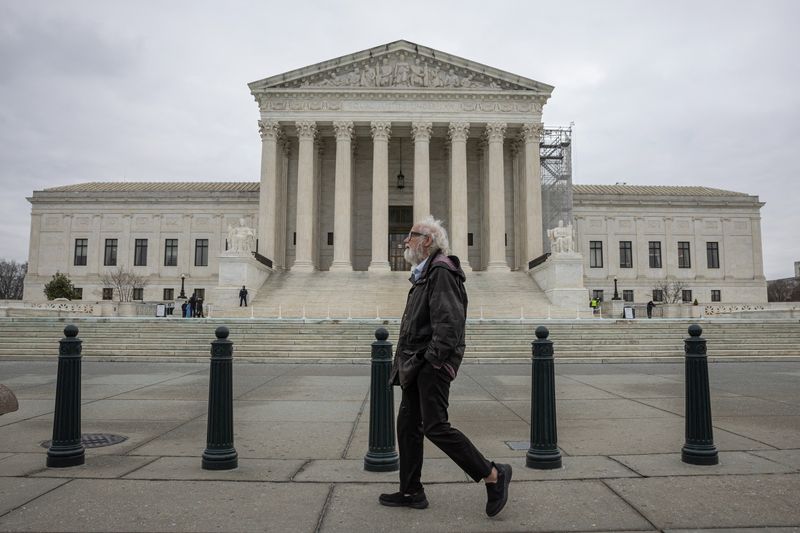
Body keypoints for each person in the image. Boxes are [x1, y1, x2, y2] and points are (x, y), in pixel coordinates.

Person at [379, 215, 512, 517]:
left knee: (436, 427)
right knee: (408, 425)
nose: (404, 240)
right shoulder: (425, 273)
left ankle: (493, 474)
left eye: (410, 235)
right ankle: (411, 490)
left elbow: (450, 323)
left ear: (427, 241)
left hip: (429, 364)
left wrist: (432, 362)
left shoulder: (441, 271)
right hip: (416, 362)